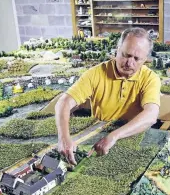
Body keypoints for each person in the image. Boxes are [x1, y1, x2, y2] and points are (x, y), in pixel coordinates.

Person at [56, 28, 161, 165]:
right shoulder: (96, 73)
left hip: (131, 136)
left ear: (145, 60)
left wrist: (114, 136)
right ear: (117, 50)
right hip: (99, 138)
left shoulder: (150, 79)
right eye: (125, 55)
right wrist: (63, 138)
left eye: (136, 59)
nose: (129, 63)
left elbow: (151, 115)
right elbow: (64, 102)